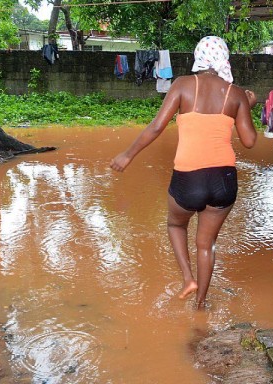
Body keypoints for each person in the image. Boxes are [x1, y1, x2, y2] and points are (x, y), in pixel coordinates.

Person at [110, 36, 257, 308]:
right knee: (206, 244)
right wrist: (248, 105)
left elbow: (156, 127)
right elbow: (249, 141)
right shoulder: (235, 93)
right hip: (224, 180)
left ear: (198, 57)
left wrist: (127, 155)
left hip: (189, 178)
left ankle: (188, 279)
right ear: (224, 58)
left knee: (176, 224)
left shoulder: (182, 85)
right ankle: (200, 305)